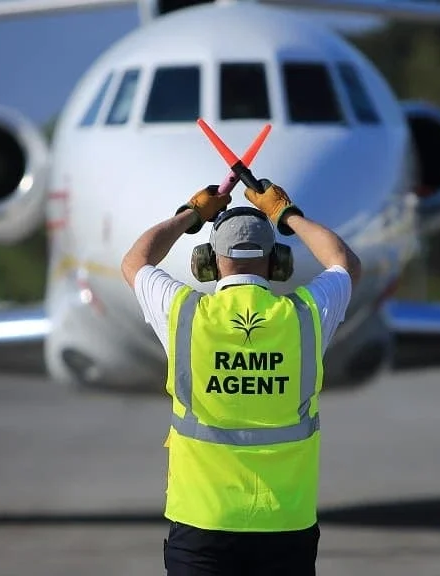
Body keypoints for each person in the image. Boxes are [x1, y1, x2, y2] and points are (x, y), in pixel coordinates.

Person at [120, 179, 361, 576]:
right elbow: (344, 264)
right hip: (285, 524)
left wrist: (192, 214)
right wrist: (287, 214)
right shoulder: (304, 317)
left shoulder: (184, 315)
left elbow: (135, 262)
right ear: (278, 262)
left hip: (202, 524)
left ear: (208, 262)